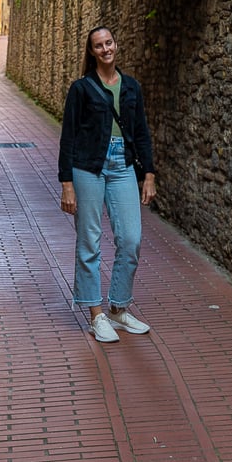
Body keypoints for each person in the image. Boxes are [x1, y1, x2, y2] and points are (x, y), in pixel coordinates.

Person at [58, 25, 156, 343]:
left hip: (123, 165)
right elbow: (68, 137)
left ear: (116, 45)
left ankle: (118, 309)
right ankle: (96, 315)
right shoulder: (82, 89)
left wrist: (149, 176)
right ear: (92, 52)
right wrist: (67, 183)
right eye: (98, 46)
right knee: (90, 243)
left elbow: (141, 132)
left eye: (109, 43)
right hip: (88, 167)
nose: (105, 49)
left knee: (131, 239)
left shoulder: (131, 88)